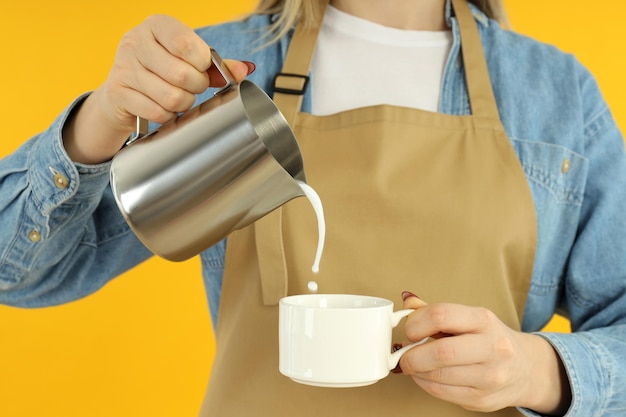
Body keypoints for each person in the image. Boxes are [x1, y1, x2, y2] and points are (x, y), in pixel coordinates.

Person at [1, 0, 625, 416]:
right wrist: (100, 122)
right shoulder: (214, 74)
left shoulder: (556, 97)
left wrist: (540, 371)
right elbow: (18, 274)